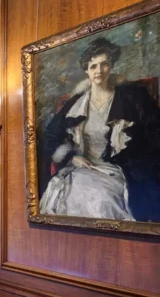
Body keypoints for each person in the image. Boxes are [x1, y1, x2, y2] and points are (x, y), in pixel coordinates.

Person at [39, 37, 160, 222]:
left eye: (105, 64)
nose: (99, 71)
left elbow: (154, 132)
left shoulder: (132, 99)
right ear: (86, 70)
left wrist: (134, 156)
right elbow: (49, 137)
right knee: (66, 196)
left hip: (118, 171)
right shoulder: (75, 104)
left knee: (103, 199)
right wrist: (71, 156)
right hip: (82, 169)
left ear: (111, 66)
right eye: (93, 66)